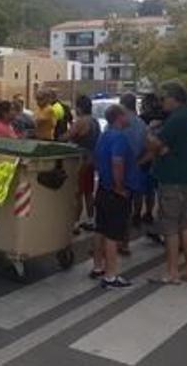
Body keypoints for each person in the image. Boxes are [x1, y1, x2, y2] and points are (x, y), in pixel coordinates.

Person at [146, 80, 187, 285]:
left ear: (174, 98)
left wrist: (150, 131)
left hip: (173, 180)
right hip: (186, 177)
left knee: (169, 226)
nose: (161, 102)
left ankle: (172, 271)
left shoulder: (177, 119)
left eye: (164, 98)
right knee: (182, 223)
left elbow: (156, 145)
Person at [91, 104, 139, 289]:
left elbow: (96, 159)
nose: (129, 117)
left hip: (103, 188)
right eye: (126, 115)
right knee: (113, 234)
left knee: (100, 229)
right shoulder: (119, 138)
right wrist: (119, 187)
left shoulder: (104, 135)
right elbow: (117, 162)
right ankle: (111, 276)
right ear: (119, 117)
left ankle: (97, 267)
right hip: (114, 192)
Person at [64, 95, 101, 232]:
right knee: (88, 192)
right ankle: (91, 219)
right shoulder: (95, 121)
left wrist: (61, 136)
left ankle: (75, 222)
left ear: (79, 107)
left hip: (81, 161)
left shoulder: (81, 122)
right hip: (92, 160)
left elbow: (67, 136)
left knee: (77, 192)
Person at [118, 92, 147, 254]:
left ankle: (115, 242)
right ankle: (125, 242)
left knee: (116, 209)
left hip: (119, 168)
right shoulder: (142, 124)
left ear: (122, 104)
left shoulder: (119, 123)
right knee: (127, 208)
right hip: (134, 169)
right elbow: (148, 147)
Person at [136, 92, 166, 228]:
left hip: (144, 157)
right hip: (158, 159)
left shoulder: (142, 119)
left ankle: (136, 213)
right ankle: (149, 213)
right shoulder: (164, 118)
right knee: (151, 191)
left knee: (138, 190)